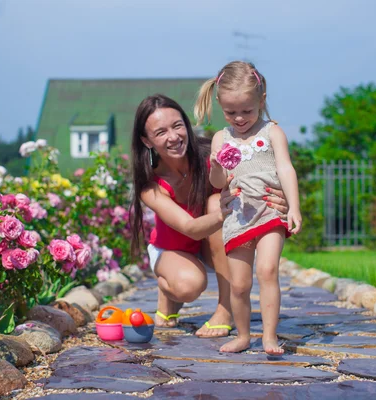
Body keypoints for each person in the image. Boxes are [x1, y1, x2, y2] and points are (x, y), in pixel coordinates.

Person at [129, 94, 289, 338]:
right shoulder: (151, 186)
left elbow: (258, 177)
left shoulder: (212, 156)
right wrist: (222, 214)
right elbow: (190, 227)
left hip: (211, 245)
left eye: (177, 126)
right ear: (147, 141)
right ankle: (167, 289)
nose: (173, 137)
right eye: (160, 132)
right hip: (173, 248)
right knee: (188, 285)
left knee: (217, 202)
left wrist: (280, 198)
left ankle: (226, 310)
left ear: (186, 124)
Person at [194, 61, 302, 354]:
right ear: (219, 104)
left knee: (267, 271)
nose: (240, 118)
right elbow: (219, 183)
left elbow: (286, 169)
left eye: (247, 110)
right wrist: (215, 164)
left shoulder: (272, 132)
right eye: (231, 112)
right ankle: (243, 335)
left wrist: (294, 207)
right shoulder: (221, 139)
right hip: (238, 217)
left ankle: (269, 336)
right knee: (239, 284)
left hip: (269, 211)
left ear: (261, 101)